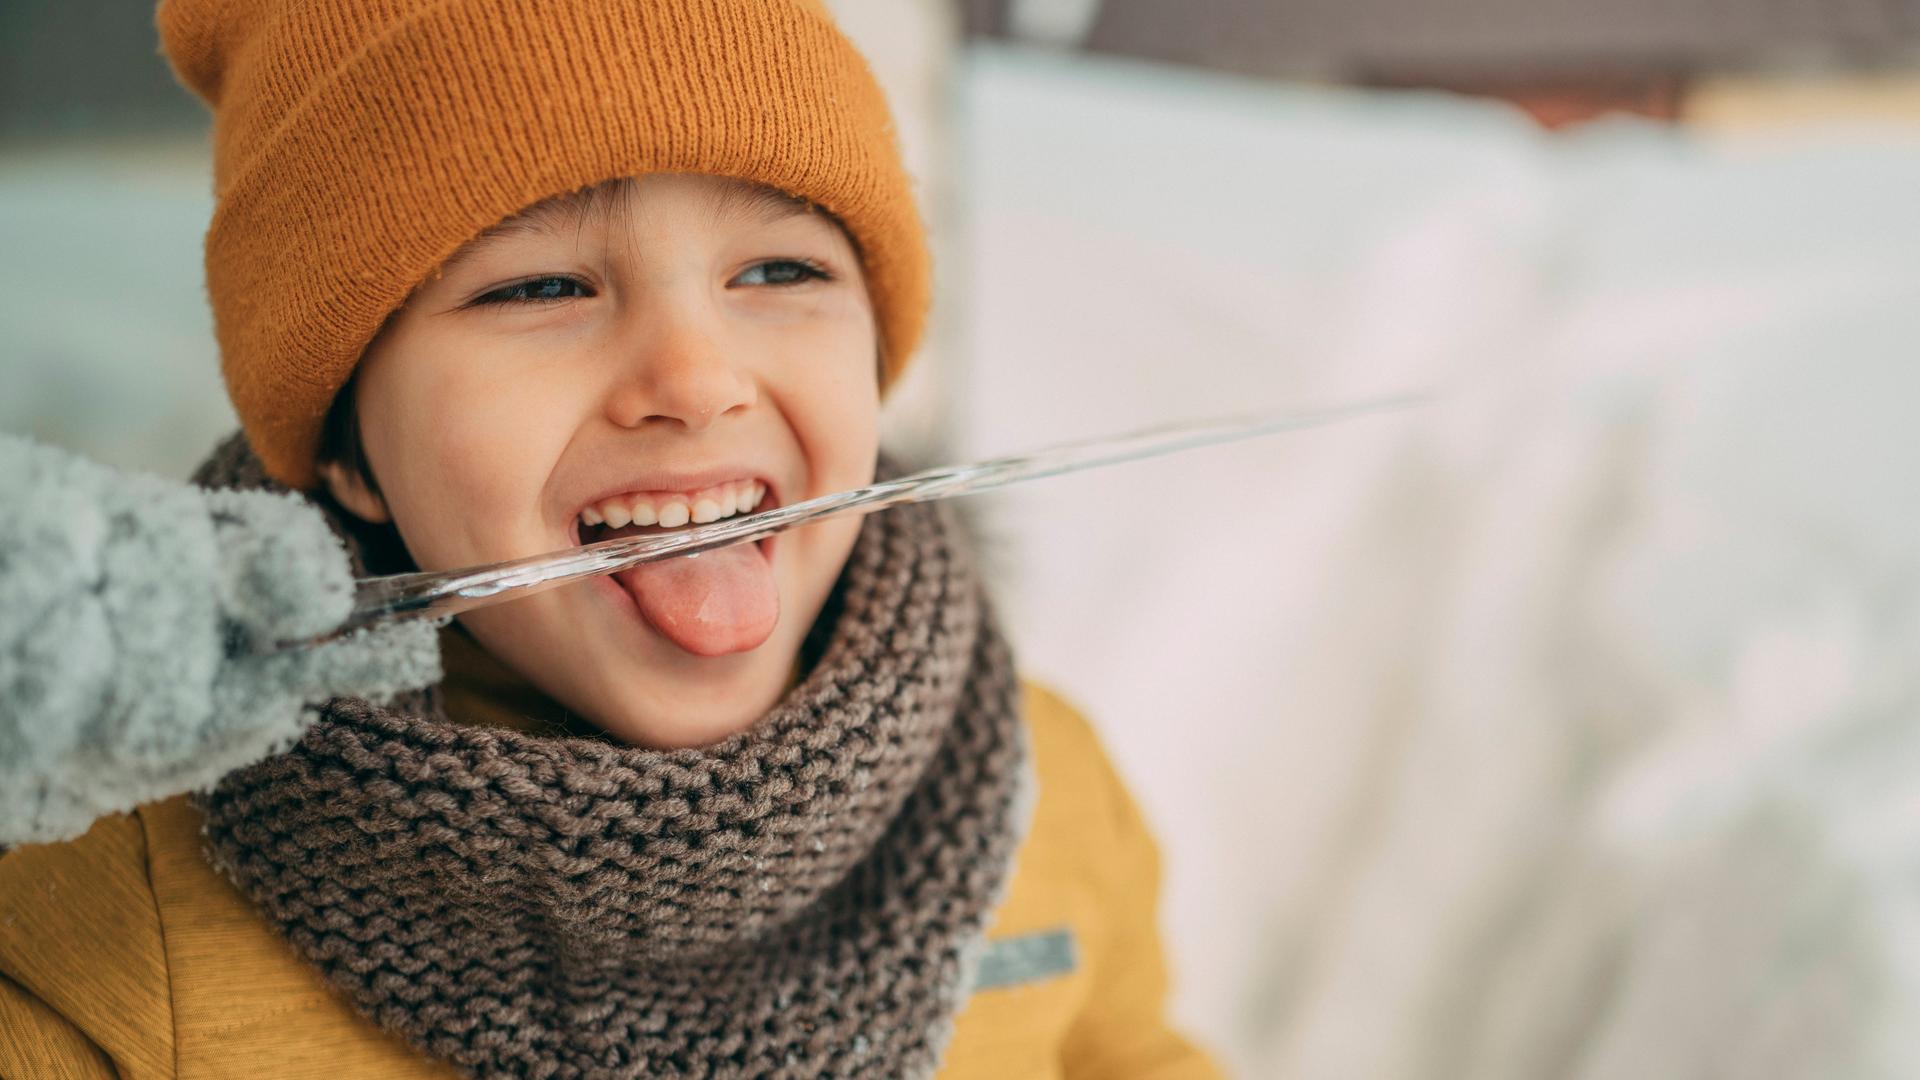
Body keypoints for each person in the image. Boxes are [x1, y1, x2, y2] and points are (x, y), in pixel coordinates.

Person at [0, 1, 1222, 1077]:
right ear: (346, 455)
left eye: (782, 266)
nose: (695, 380)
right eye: (540, 288)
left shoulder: (1039, 784)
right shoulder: (127, 879)